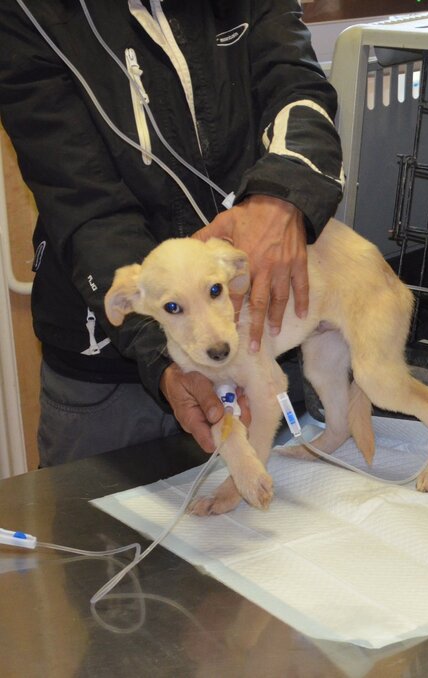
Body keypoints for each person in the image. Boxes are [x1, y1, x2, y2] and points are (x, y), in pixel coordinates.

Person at [0, 1, 345, 466]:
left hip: (254, 338)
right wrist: (160, 355)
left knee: (276, 500)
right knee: (101, 512)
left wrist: (282, 195)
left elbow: (298, 87)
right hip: (109, 376)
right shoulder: (26, 11)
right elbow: (86, 205)